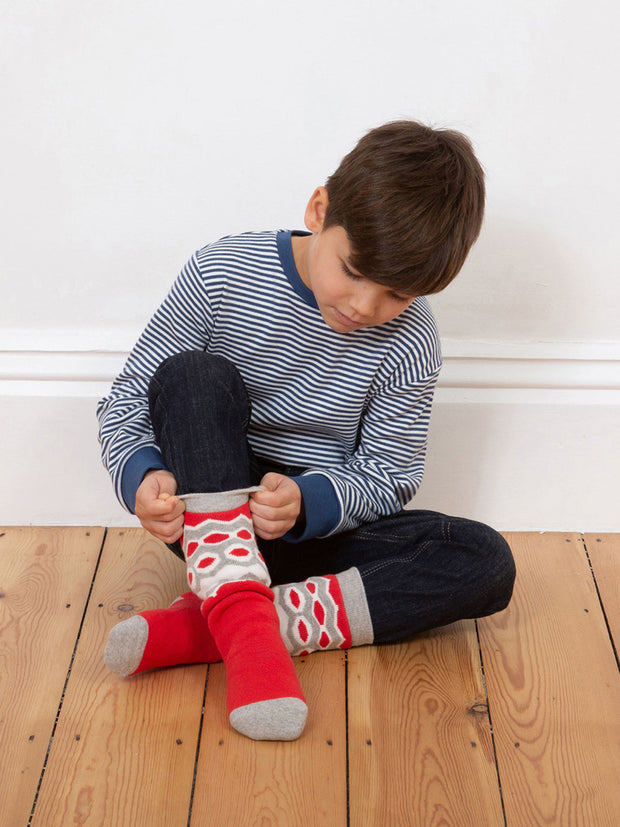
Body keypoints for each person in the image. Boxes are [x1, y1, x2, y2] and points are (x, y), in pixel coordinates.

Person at [97, 120, 516, 742]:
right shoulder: (221, 272)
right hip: (214, 516)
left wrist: (308, 503)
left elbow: (389, 474)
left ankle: (239, 621)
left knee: (486, 560)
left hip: (308, 530)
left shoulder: (412, 338)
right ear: (319, 210)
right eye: (353, 272)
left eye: (395, 295)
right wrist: (142, 475)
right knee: (190, 375)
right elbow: (129, 397)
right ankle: (250, 633)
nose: (366, 307)